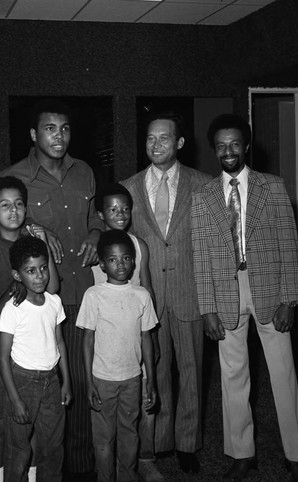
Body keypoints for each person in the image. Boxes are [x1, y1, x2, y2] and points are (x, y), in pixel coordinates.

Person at [191, 113, 298, 481]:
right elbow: (200, 256)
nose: (229, 151)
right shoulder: (203, 196)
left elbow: (289, 247)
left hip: (270, 292)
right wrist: (207, 309)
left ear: (246, 146)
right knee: (233, 377)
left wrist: (289, 300)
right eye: (221, 146)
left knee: (283, 374)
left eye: (235, 144)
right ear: (215, 150)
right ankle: (241, 454)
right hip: (225, 295)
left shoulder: (272, 187)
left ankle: (296, 453)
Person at [0, 98, 102, 479]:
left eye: (65, 128)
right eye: (49, 128)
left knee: (78, 385)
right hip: (38, 302)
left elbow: (96, 219)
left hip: (83, 293)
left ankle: (79, 469)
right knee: (39, 394)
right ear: (33, 134)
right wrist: (31, 229)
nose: (59, 136)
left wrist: (94, 231)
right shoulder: (13, 176)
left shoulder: (85, 171)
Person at [121, 111, 211, 473]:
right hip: (148, 296)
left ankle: (188, 443)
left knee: (191, 370)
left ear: (179, 143)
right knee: (154, 371)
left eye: (163, 138)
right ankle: (158, 442)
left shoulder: (204, 185)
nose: (155, 145)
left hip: (189, 293)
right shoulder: (128, 187)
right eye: (150, 138)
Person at [0, 175, 59, 482]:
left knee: (34, 423)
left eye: (18, 204)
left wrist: (45, 244)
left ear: (26, 209)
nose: (12, 211)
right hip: (4, 345)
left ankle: (30, 476)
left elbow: (52, 288)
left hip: (35, 350)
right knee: (3, 421)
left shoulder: (34, 244)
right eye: (3, 205)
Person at [93, 183, 163, 481]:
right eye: (112, 210)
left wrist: (153, 335)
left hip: (138, 331)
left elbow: (147, 288)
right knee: (110, 415)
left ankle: (143, 461)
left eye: (125, 209)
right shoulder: (96, 248)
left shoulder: (138, 245)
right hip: (109, 342)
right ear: (100, 215)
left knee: (144, 401)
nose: (120, 215)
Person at [77, 229, 158, 482]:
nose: (120, 264)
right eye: (112, 259)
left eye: (125, 258)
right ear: (102, 264)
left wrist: (150, 381)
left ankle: (128, 476)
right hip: (102, 379)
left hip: (132, 379)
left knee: (129, 433)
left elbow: (147, 339)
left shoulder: (141, 296)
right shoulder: (93, 295)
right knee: (103, 439)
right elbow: (87, 339)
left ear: (134, 261)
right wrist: (89, 381)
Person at [0, 235, 72, 481]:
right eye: (31, 271)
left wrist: (66, 383)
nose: (40, 276)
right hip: (23, 382)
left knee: (53, 447)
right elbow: (2, 356)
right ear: (18, 275)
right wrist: (15, 399)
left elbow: (60, 342)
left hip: (52, 382)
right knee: (18, 449)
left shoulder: (54, 302)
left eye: (43, 268)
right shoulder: (13, 308)